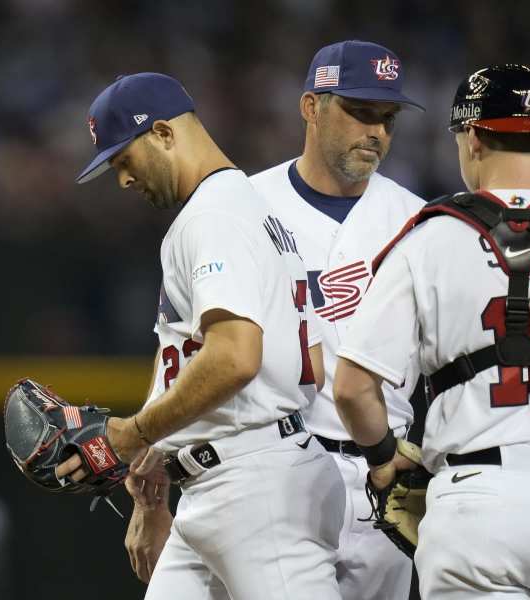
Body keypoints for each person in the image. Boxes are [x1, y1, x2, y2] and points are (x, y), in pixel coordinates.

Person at [332, 63, 530, 599]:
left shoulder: (429, 238)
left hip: (475, 502)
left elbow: (352, 386)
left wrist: (381, 460)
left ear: (472, 137)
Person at [58, 72, 345, 600]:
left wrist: (135, 432)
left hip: (256, 488)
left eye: (124, 161)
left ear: (164, 134)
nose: (123, 180)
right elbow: (308, 360)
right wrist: (152, 481)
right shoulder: (258, 212)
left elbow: (235, 358)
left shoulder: (214, 217)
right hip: (228, 479)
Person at [247, 40, 426, 600]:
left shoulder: (418, 220)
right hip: (280, 468)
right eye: (360, 112)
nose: (376, 132)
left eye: (386, 118)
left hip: (385, 478)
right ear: (311, 108)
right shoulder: (248, 206)